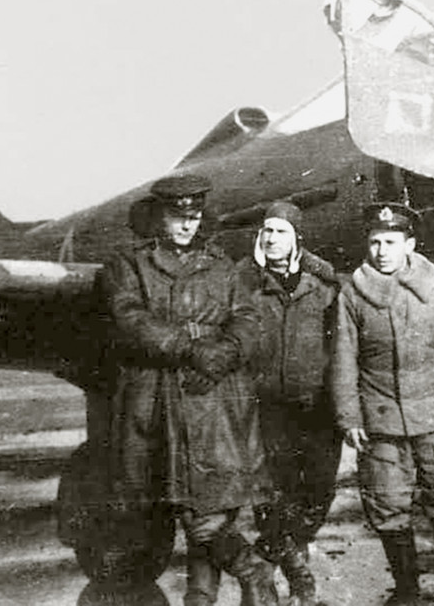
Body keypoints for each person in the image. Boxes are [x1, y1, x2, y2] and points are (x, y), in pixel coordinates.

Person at [102, 174, 278, 606]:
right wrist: (189, 347)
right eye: (178, 217)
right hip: (154, 402)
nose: (186, 226)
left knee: (210, 507)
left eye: (194, 217)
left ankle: (208, 597)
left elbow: (249, 319)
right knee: (181, 509)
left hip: (215, 401)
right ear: (159, 216)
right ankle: (254, 574)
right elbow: (129, 320)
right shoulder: (128, 264)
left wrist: (225, 353)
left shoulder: (222, 266)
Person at [330, 202, 434, 605]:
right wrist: (349, 415)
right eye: (375, 242)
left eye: (391, 242)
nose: (382, 250)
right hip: (382, 422)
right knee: (387, 504)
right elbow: (344, 358)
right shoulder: (353, 295)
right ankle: (408, 591)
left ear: (409, 244)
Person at [236, 201, 342, 606]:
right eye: (267, 231)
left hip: (316, 407)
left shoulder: (323, 286)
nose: (272, 238)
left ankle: (264, 559)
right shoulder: (243, 283)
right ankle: (300, 580)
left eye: (281, 232)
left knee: (318, 493)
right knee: (274, 495)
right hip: (267, 408)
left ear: (297, 239)